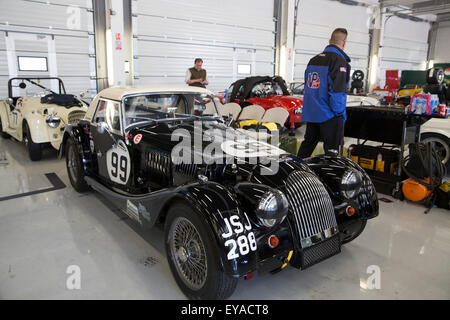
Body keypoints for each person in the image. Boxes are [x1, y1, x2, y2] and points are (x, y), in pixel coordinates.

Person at [297, 28, 351, 158]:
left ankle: (296, 172)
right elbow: (338, 91)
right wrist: (339, 114)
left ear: (329, 41)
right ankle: (330, 177)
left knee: (307, 146)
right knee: (332, 152)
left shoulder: (313, 60)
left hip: (312, 113)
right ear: (344, 43)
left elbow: (308, 87)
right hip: (329, 114)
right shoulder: (339, 61)